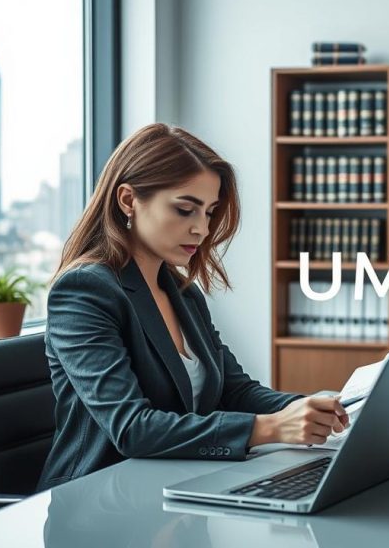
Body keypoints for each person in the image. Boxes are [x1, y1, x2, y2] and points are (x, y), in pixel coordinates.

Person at [37, 123, 348, 491]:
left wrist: (311, 408)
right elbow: (132, 428)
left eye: (209, 212)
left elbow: (235, 391)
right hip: (98, 498)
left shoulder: (183, 293)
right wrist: (270, 427)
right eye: (186, 210)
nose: (201, 229)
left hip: (177, 484)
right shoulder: (85, 291)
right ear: (127, 200)